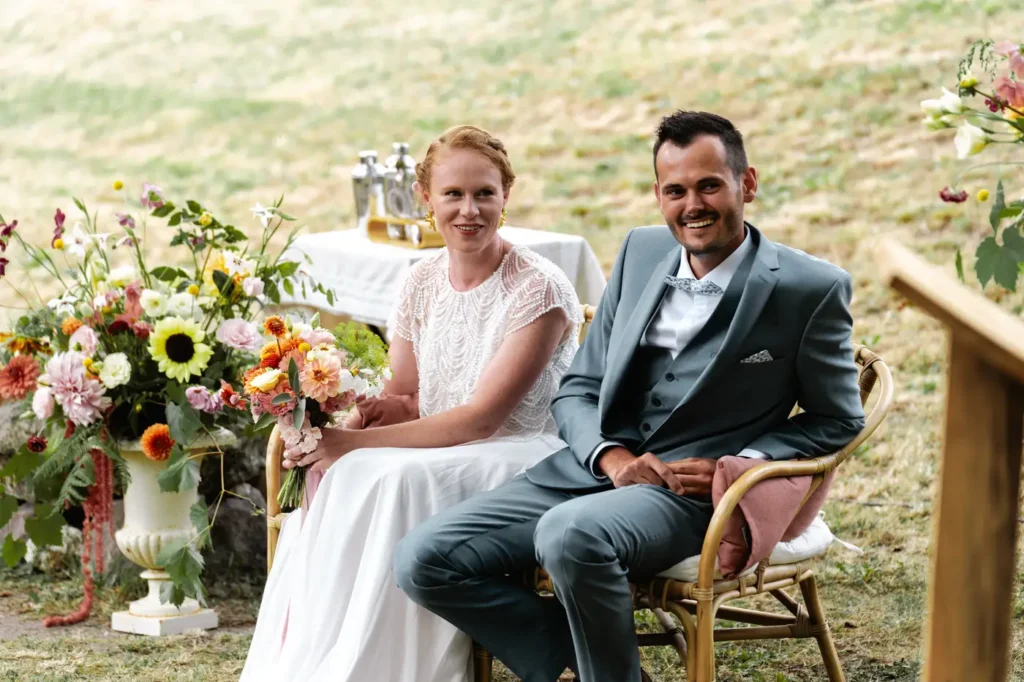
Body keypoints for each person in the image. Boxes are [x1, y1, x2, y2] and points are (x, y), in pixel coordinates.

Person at [394, 111, 867, 682]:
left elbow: (836, 419)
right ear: (658, 195)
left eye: (709, 185)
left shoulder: (809, 288)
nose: (693, 204)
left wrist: (737, 465)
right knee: (424, 560)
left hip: (689, 495)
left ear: (747, 183)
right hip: (589, 469)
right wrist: (610, 458)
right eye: (676, 190)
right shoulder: (641, 253)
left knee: (569, 534)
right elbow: (580, 387)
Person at [240, 125, 583, 682]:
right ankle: (327, 651)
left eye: (484, 194)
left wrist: (350, 442)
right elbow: (406, 395)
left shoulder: (538, 289)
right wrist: (360, 415)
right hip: (445, 445)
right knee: (352, 468)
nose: (469, 210)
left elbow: (481, 418)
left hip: (522, 452)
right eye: (453, 194)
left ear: (506, 196)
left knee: (387, 478)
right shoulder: (420, 279)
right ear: (426, 198)